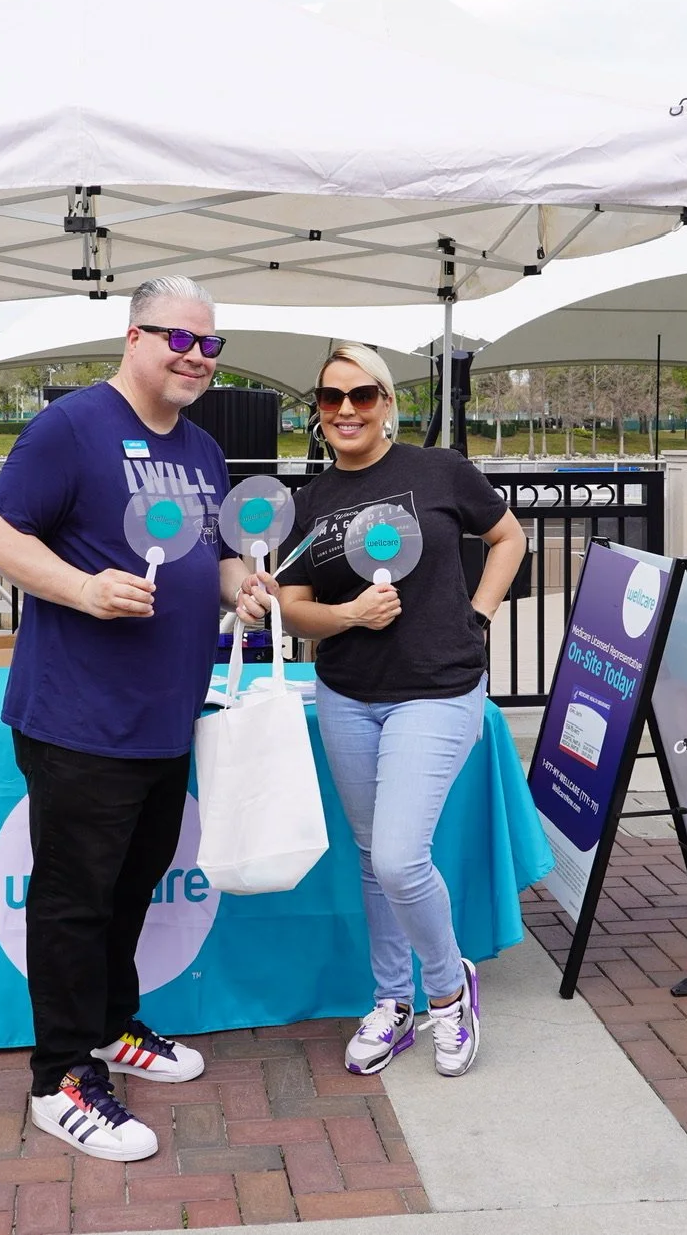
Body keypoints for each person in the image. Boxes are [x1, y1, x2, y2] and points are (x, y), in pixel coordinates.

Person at [0, 275, 270, 1163]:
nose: (195, 356)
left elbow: (208, 560)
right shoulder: (71, 426)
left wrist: (239, 585)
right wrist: (82, 587)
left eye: (209, 344)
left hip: (163, 716)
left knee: (132, 886)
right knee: (72, 901)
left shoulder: (202, 450)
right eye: (178, 338)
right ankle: (60, 1077)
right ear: (133, 334)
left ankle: (110, 1027)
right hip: (77, 719)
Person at [242, 343, 525, 1078]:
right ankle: (391, 1000)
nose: (345, 410)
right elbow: (296, 609)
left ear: (386, 402)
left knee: (400, 856)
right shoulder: (310, 502)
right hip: (347, 695)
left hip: (437, 689)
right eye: (331, 397)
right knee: (373, 859)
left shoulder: (439, 470)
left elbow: (506, 535)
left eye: (361, 395)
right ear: (316, 412)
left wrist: (479, 612)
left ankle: (447, 989)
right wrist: (351, 615)